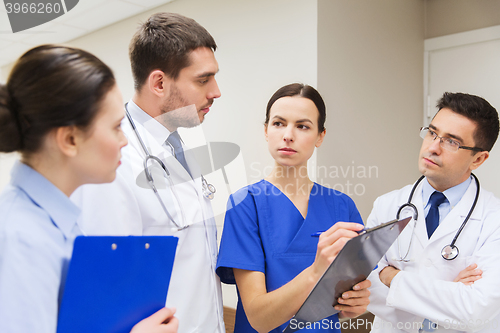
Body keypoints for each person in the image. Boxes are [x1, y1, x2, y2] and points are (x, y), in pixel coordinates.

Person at [0, 45, 178, 333]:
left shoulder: (60, 224)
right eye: (116, 127)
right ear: (70, 139)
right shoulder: (20, 238)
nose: (124, 141)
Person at [72, 13, 224, 332]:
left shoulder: (180, 145)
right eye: (202, 80)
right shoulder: (113, 162)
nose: (216, 92)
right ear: (159, 83)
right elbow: (107, 288)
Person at [216, 83, 371, 333]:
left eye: (302, 126)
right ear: (266, 130)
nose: (288, 134)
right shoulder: (245, 204)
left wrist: (354, 305)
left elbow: (348, 305)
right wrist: (315, 272)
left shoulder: (342, 206)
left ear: (320, 136)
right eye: (278, 123)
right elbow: (258, 318)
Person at [366, 92, 500, 333]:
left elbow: (475, 310)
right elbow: (366, 290)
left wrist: (391, 277)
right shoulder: (387, 206)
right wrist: (446, 295)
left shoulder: (494, 219)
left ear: (478, 159)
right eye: (432, 133)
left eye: (452, 142)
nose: (432, 147)